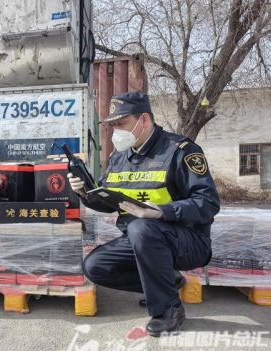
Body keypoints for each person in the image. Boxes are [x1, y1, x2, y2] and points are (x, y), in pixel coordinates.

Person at [68, 92, 220, 336]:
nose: (115, 131)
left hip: (188, 240)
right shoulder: (119, 157)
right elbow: (110, 203)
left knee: (142, 227)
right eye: (112, 125)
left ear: (145, 120)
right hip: (139, 239)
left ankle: (168, 310)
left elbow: (209, 203)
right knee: (95, 267)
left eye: (121, 124)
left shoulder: (180, 150)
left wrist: (161, 212)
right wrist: (85, 193)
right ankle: (166, 283)